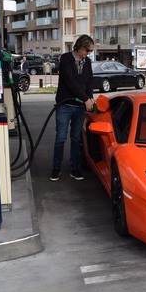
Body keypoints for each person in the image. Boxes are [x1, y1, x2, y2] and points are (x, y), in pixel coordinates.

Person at [50, 34, 94, 182]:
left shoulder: (87, 62)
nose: (89, 54)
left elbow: (89, 81)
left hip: (79, 107)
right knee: (60, 138)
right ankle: (56, 168)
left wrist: (90, 97)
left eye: (90, 52)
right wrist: (86, 98)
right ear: (80, 47)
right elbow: (71, 82)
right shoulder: (66, 59)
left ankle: (74, 168)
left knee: (76, 138)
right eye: (87, 51)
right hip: (65, 105)